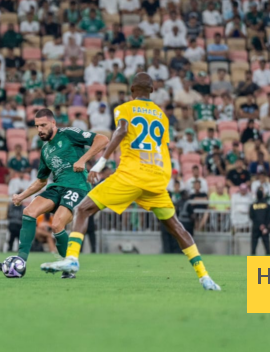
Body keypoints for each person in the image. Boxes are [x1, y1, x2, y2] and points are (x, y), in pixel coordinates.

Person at [40, 73, 221, 291]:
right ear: (152, 90)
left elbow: (122, 130)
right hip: (157, 177)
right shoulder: (162, 116)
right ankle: (205, 277)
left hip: (132, 175)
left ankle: (72, 259)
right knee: (176, 227)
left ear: (132, 89)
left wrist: (101, 162)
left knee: (83, 209)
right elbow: (161, 147)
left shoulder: (124, 108)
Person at [0, 108, 109, 279]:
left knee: (57, 224)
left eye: (43, 125)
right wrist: (21, 196)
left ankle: (69, 267)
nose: (40, 129)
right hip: (56, 187)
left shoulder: (69, 133)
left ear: (53, 123)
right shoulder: (45, 150)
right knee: (29, 211)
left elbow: (103, 139)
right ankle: (21, 261)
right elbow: (41, 181)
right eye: (37, 126)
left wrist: (83, 160)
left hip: (77, 186)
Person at [249, 190, 270, 255]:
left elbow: (251, 216)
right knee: (266, 245)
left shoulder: (253, 205)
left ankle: (252, 259)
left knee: (254, 245)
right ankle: (268, 260)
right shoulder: (267, 205)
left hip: (256, 226)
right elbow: (268, 217)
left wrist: (258, 225)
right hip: (265, 227)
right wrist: (264, 225)